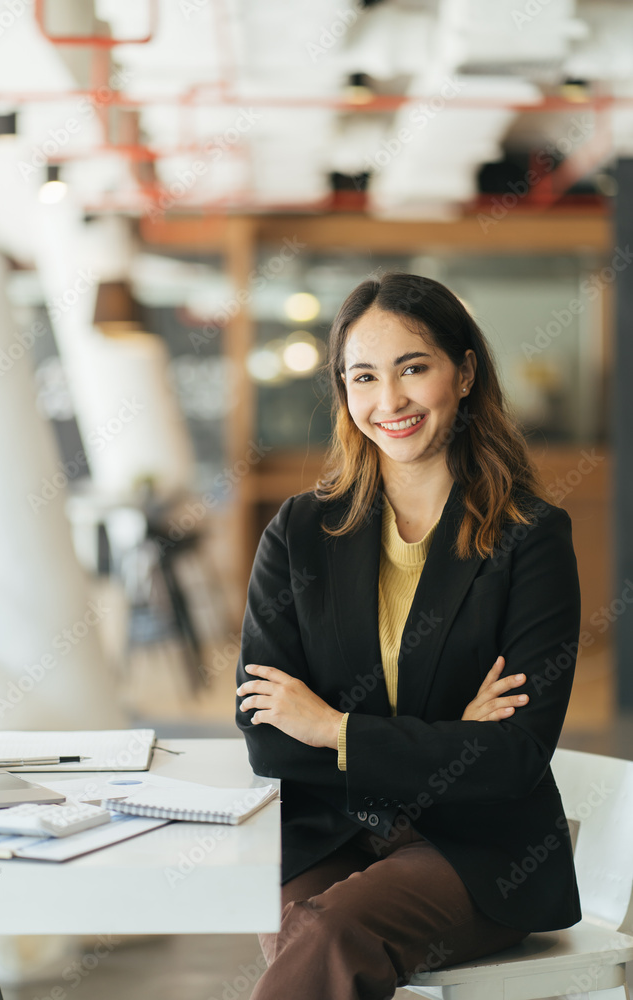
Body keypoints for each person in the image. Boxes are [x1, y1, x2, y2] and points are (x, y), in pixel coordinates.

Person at [235, 272, 582, 1000]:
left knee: (327, 935)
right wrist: (452, 736)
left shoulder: (529, 539)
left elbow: (513, 757)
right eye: (363, 377)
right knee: (303, 928)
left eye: (412, 368)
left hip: (478, 847)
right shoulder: (299, 533)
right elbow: (269, 738)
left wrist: (333, 728)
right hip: (330, 832)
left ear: (464, 372)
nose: (387, 402)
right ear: (342, 391)